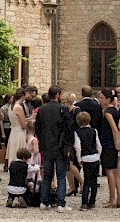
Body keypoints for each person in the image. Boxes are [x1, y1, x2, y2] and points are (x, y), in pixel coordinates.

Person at [34, 85, 74, 213]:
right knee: (61, 176)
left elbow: (38, 129)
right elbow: (70, 128)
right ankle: (61, 203)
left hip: (46, 146)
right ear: (57, 95)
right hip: (60, 146)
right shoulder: (63, 110)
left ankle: (44, 202)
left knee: (47, 176)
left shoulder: (42, 110)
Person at [98, 89, 120, 209]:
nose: (100, 100)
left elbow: (114, 129)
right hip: (111, 144)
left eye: (102, 98)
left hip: (108, 144)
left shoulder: (108, 112)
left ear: (108, 99)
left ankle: (112, 199)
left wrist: (116, 143)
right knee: (114, 171)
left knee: (110, 172)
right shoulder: (115, 110)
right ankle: (117, 198)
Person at [73, 111, 101, 211]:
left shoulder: (77, 133)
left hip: (85, 158)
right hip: (95, 157)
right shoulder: (94, 131)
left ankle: (84, 203)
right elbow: (98, 144)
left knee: (86, 181)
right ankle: (92, 202)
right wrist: (99, 155)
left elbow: (78, 147)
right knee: (94, 181)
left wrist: (79, 159)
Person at [6, 87, 30, 165]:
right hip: (20, 133)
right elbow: (23, 125)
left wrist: (29, 118)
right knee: (20, 154)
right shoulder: (19, 107)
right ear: (22, 96)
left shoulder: (11, 106)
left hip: (13, 131)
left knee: (13, 153)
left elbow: (17, 120)